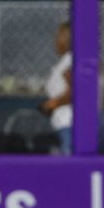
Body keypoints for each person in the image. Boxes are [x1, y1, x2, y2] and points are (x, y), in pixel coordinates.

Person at [41, 22, 72, 155]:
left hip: (70, 123)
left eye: (59, 36)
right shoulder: (67, 60)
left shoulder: (71, 60)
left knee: (71, 168)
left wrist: (52, 104)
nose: (56, 41)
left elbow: (77, 92)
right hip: (65, 123)